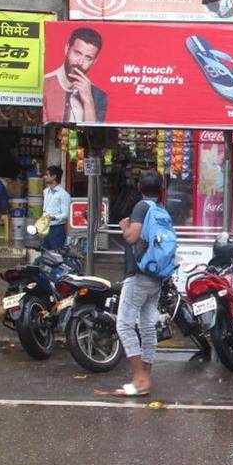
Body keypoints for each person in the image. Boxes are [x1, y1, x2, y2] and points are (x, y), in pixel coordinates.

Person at [110, 170, 167, 397]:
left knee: (124, 324)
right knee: (146, 325)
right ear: (160, 189)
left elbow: (132, 237)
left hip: (139, 273)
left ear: (139, 187)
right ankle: (145, 376)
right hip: (156, 275)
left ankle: (140, 379)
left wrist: (125, 226)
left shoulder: (142, 207)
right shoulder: (161, 210)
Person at [43, 27, 108, 123]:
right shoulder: (45, 84)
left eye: (88, 58)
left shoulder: (99, 95)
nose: (80, 62)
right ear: (67, 49)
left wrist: (88, 101)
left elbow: (94, 134)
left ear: (94, 62)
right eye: (77, 53)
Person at [40, 165, 70, 250]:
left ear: (54, 177)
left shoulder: (63, 194)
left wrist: (55, 217)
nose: (45, 177)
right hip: (45, 226)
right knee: (44, 253)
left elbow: (65, 214)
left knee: (56, 254)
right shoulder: (46, 192)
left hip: (57, 229)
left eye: (47, 175)